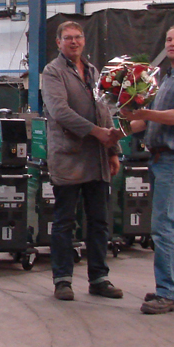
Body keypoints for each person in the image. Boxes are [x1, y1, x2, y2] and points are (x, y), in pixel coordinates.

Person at [120, 25, 174, 315]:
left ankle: (167, 293)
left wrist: (145, 113)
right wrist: (115, 130)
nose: (172, 44)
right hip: (159, 158)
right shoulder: (166, 81)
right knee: (170, 225)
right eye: (169, 40)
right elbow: (147, 122)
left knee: (163, 226)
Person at [41, 20, 123, 301]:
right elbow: (60, 111)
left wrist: (113, 150)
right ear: (58, 42)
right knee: (65, 222)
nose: (73, 42)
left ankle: (99, 278)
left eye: (77, 37)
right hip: (69, 158)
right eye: (67, 38)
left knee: (99, 222)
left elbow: (105, 109)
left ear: (84, 41)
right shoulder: (52, 73)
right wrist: (97, 133)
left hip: (97, 158)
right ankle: (62, 280)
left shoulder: (92, 71)